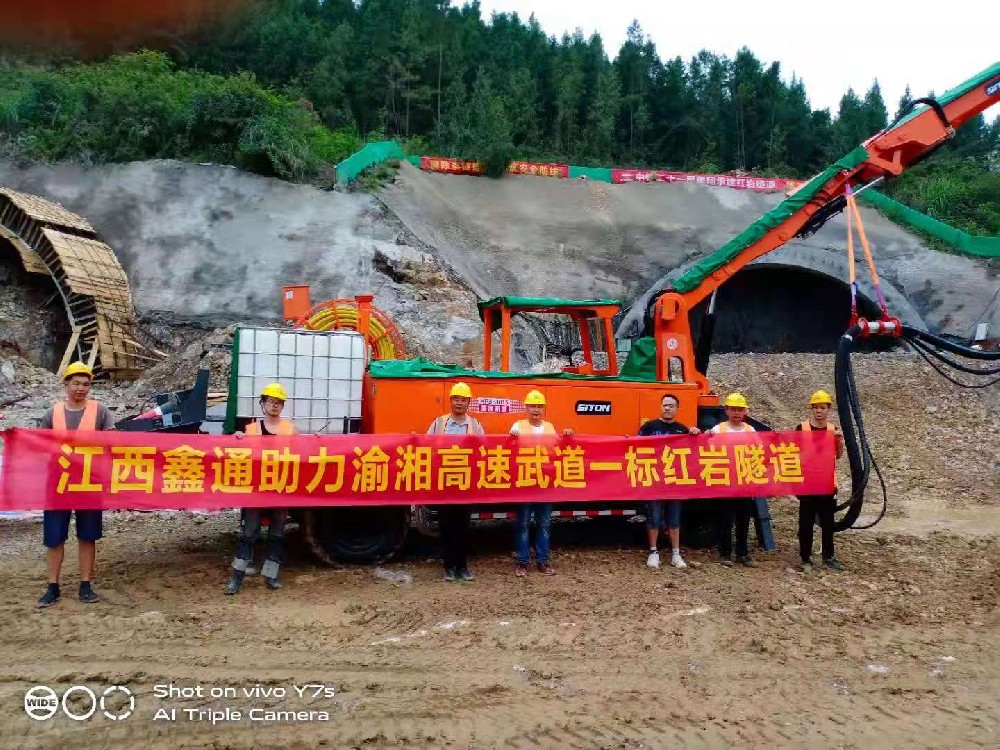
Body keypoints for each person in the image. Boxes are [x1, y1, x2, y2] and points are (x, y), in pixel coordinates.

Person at [36, 361, 115, 608]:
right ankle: (52, 586)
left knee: (87, 536)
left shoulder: (100, 412)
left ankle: (85, 585)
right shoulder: (52, 413)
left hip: (89, 483)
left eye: (86, 384)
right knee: (54, 537)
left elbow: (112, 442)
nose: (81, 388)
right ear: (66, 384)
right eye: (76, 383)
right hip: (58, 485)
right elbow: (39, 445)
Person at [226, 382, 298, 595]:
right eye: (271, 401)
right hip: (256, 490)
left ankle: (271, 576)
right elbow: (238, 453)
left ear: (282, 406)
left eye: (278, 402)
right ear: (263, 404)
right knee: (248, 534)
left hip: (279, 490)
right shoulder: (251, 430)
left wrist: (318, 441)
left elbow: (304, 452)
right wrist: (238, 439)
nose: (274, 405)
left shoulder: (290, 429)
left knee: (276, 535)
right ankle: (236, 578)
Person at [510, 389, 573, 577]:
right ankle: (523, 562)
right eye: (532, 406)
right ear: (526, 408)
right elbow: (508, 449)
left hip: (545, 485)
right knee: (523, 525)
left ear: (543, 408)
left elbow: (557, 450)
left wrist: (567, 436)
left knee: (544, 525)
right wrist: (511, 437)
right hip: (525, 483)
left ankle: (543, 562)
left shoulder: (550, 427)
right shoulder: (518, 426)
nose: (536, 410)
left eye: (539, 406)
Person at [427, 382, 484, 582]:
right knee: (446, 526)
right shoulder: (439, 423)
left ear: (469, 403)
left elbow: (483, 450)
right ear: (451, 401)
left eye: (463, 400)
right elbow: (427, 447)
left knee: (463, 526)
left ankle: (462, 566)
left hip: (465, 482)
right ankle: (448, 567)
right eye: (456, 399)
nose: (459, 403)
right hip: (444, 481)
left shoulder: (476, 425)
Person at [638, 393, 700, 569]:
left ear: (677, 409)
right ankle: (653, 552)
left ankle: (675, 554)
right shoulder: (649, 427)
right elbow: (636, 446)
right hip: (654, 478)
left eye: (671, 406)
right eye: (664, 405)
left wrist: (696, 433)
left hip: (674, 481)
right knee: (654, 517)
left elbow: (694, 450)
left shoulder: (682, 429)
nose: (667, 408)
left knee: (674, 518)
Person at [796, 390, 846, 573]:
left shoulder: (833, 430)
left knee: (827, 522)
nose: (819, 411)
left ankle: (828, 556)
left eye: (822, 407)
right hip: (807, 484)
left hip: (827, 484)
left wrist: (839, 443)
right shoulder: (802, 428)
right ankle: (805, 558)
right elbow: (793, 454)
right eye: (816, 407)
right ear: (812, 409)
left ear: (828, 409)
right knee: (806, 522)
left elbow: (837, 456)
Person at [711, 392, 757, 568]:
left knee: (743, 518)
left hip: (745, 481)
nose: (737, 413)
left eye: (740, 409)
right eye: (733, 409)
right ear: (727, 410)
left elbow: (759, 451)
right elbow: (708, 451)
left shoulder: (750, 430)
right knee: (725, 518)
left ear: (745, 411)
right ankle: (724, 553)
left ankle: (742, 553)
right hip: (725, 481)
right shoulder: (718, 430)